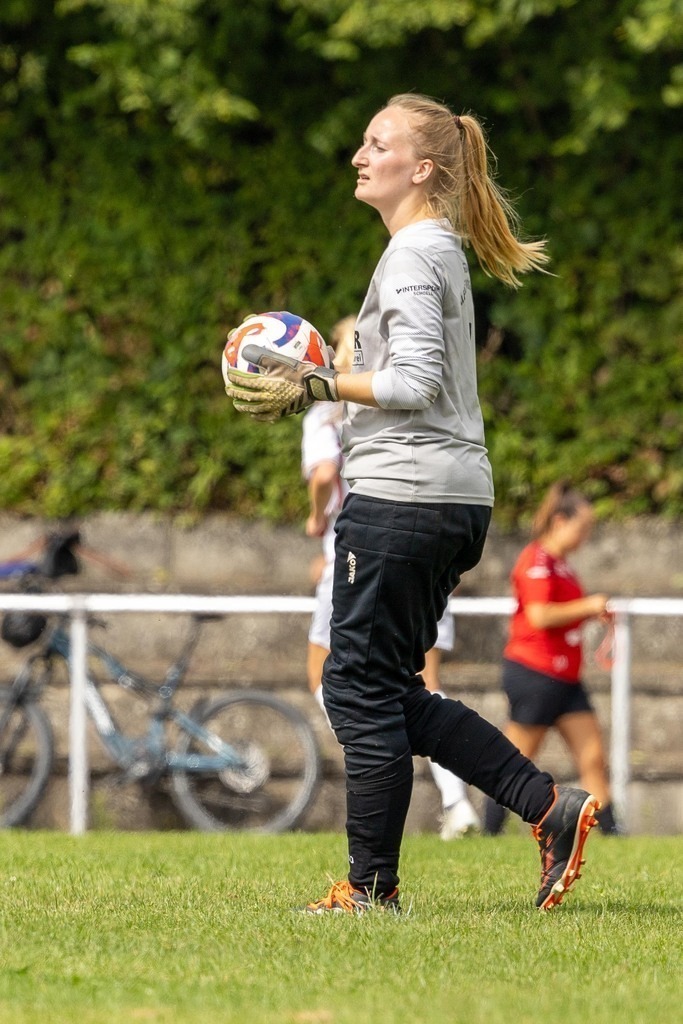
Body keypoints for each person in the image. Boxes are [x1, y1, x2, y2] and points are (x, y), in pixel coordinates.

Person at [225, 92, 601, 913]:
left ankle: (368, 890)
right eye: (361, 141)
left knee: (356, 689)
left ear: (421, 168)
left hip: (403, 498)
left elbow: (411, 382)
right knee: (389, 687)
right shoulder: (431, 249)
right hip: (445, 497)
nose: (360, 155)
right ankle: (547, 808)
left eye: (377, 143)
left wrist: (314, 383)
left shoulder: (413, 254)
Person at [303, 318, 480, 839]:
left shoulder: (329, 410)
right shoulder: (415, 396)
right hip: (427, 538)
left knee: (332, 680)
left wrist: (318, 523)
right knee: (424, 684)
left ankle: (380, 747)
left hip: (361, 554)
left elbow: (323, 476)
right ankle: (457, 799)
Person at [483, 481, 621, 836]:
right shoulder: (536, 559)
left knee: (592, 757)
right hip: (535, 673)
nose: (585, 537)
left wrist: (589, 613)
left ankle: (614, 835)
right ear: (560, 521)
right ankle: (488, 831)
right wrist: (589, 606)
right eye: (582, 528)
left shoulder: (562, 565)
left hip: (566, 677)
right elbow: (540, 615)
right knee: (514, 761)